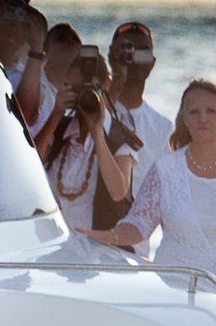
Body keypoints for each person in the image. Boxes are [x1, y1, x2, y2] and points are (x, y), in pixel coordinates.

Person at [81, 79, 216, 298]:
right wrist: (103, 237)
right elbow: (139, 225)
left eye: (211, 111)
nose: (203, 119)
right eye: (194, 112)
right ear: (183, 118)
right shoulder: (166, 168)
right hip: (176, 294)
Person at [36, 52, 141, 232]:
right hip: (55, 243)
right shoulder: (59, 130)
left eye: (88, 89)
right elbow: (31, 167)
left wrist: (97, 132)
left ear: (106, 85)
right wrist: (55, 114)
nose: (82, 95)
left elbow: (118, 193)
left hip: (96, 252)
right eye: (74, 88)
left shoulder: (119, 137)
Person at [107, 22, 172, 200]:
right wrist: (117, 78)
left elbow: (166, 190)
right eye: (127, 50)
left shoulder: (162, 127)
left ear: (152, 62)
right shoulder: (93, 109)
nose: (133, 58)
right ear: (111, 56)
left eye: (142, 52)